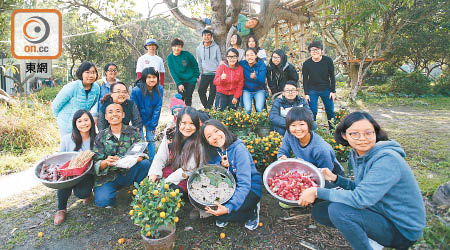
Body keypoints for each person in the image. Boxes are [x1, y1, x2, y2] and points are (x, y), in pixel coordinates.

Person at [298, 112, 425, 250]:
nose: (362, 138)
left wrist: (317, 191)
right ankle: (371, 231)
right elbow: (360, 188)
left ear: (375, 133)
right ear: (344, 135)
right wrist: (335, 178)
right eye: (354, 134)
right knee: (321, 212)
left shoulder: (387, 159)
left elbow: (360, 198)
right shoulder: (358, 153)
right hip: (380, 209)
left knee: (338, 210)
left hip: (402, 229)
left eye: (368, 133)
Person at [201, 119, 262, 230]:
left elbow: (244, 184)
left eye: (216, 131)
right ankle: (232, 211)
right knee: (216, 212)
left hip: (250, 187)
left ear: (223, 129)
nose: (214, 137)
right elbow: (211, 170)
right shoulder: (214, 151)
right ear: (207, 141)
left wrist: (228, 208)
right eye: (209, 136)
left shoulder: (239, 149)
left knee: (226, 214)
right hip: (230, 187)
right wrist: (220, 164)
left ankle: (252, 211)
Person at [93, 103, 151, 208]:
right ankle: (112, 192)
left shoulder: (133, 132)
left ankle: (140, 191)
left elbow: (144, 152)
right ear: (106, 117)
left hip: (129, 171)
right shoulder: (100, 137)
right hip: (109, 176)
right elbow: (95, 163)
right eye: (110, 112)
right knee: (103, 201)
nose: (114, 114)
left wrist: (134, 159)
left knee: (145, 164)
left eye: (118, 111)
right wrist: (106, 162)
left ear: (123, 114)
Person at [54, 110, 96, 225]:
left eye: (86, 120)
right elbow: (60, 158)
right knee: (63, 182)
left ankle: (87, 193)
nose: (83, 124)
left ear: (91, 122)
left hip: (86, 174)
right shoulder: (67, 139)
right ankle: (61, 209)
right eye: (80, 121)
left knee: (82, 193)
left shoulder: (96, 140)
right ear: (75, 124)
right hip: (69, 173)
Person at [148, 107, 203, 195]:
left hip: (188, 175)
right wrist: (153, 176)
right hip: (173, 169)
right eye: (183, 123)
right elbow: (160, 157)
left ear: (197, 124)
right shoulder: (171, 134)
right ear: (178, 123)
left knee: (170, 190)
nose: (187, 127)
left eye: (192, 123)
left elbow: (187, 169)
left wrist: (164, 184)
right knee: (153, 179)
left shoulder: (200, 140)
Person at [277, 107, 344, 175]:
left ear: (309, 125)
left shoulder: (321, 149)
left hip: (332, 175)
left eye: (301, 124)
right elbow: (283, 151)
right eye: (293, 125)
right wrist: (282, 157)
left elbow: (326, 173)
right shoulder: (290, 134)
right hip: (307, 170)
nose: (297, 129)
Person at [52, 61, 100, 136]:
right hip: (67, 125)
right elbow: (56, 105)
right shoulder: (72, 86)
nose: (91, 75)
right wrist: (61, 120)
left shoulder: (96, 88)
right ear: (81, 73)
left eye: (93, 72)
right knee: (69, 146)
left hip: (83, 125)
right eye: (87, 72)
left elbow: (93, 103)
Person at [131, 67, 164, 161]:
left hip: (151, 119)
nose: (151, 80)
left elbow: (158, 107)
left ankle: (152, 161)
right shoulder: (136, 91)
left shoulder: (159, 89)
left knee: (151, 139)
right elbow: (134, 109)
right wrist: (137, 125)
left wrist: (153, 125)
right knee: (140, 141)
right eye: (149, 77)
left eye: (154, 77)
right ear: (144, 78)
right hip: (138, 119)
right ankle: (140, 161)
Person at [302, 41, 336, 129]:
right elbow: (305, 79)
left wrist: (333, 91)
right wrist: (306, 93)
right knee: (312, 111)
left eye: (317, 50)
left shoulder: (328, 61)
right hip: (312, 90)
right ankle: (312, 131)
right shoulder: (306, 64)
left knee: (330, 111)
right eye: (312, 50)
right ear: (310, 52)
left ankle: (333, 132)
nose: (315, 52)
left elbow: (332, 76)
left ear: (321, 51)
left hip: (326, 89)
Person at [167, 38, 200, 106]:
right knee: (181, 98)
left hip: (191, 80)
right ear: (172, 47)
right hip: (180, 81)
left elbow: (195, 64)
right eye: (175, 46)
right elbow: (172, 72)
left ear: (181, 47)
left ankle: (188, 114)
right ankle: (180, 115)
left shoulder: (187, 54)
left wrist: (196, 76)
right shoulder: (170, 58)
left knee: (188, 98)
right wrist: (179, 83)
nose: (177, 48)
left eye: (179, 46)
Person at [196, 29, 222, 109]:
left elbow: (219, 60)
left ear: (211, 37)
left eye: (208, 35)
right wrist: (199, 74)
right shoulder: (199, 48)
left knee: (212, 93)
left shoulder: (216, 47)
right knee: (201, 91)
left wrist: (219, 73)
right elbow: (199, 62)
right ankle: (207, 107)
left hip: (215, 73)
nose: (206, 37)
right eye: (205, 35)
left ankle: (208, 108)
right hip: (205, 73)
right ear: (202, 37)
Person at [239, 48, 267, 114]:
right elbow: (232, 62)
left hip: (259, 90)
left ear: (256, 55)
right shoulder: (242, 64)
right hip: (246, 90)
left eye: (252, 55)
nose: (249, 57)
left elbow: (262, 81)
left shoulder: (261, 65)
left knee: (259, 109)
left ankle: (260, 124)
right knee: (247, 109)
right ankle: (247, 123)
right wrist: (224, 62)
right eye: (247, 55)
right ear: (245, 57)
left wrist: (255, 77)